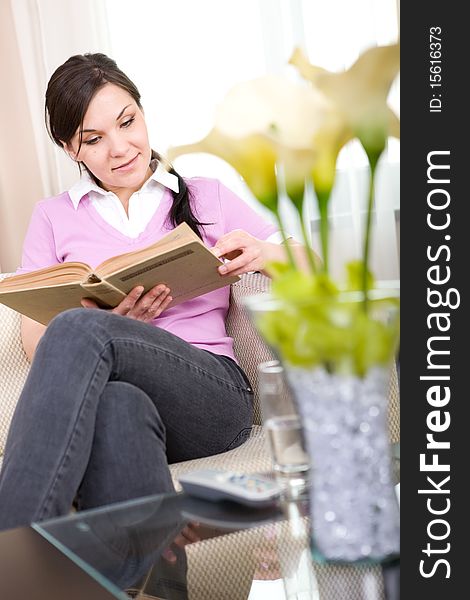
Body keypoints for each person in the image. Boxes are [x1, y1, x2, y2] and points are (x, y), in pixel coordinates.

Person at [0, 53, 305, 531]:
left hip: (212, 395)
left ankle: (11, 547)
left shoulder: (204, 194)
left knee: (82, 329)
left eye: (128, 122)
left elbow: (315, 264)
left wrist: (264, 253)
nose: (120, 148)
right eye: (94, 139)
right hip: (124, 397)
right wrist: (118, 326)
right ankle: (156, 583)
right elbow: (38, 344)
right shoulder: (52, 217)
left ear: (142, 112)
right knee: (118, 407)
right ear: (69, 148)